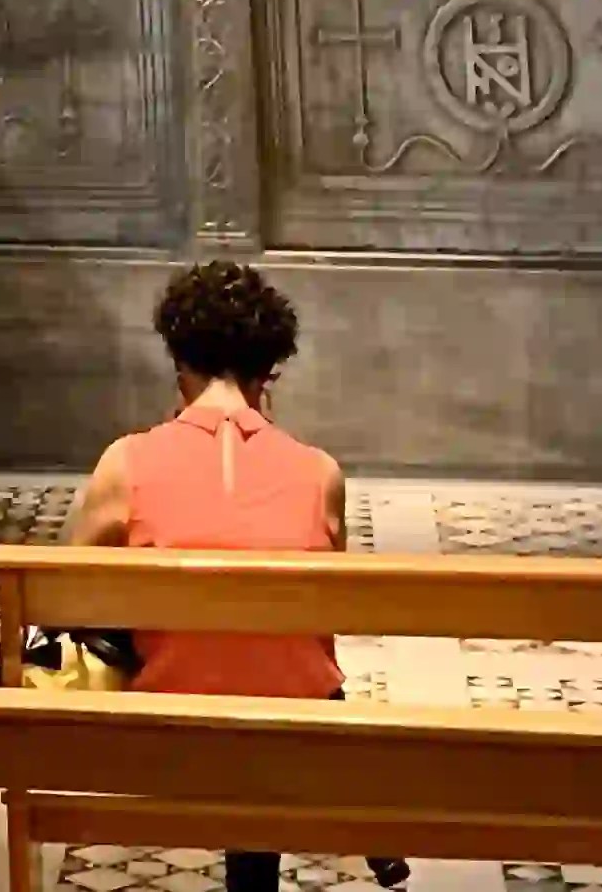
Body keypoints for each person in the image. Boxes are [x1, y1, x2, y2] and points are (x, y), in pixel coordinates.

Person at [68, 259, 409, 892]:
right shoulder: (318, 472)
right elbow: (323, 622)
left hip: (169, 726)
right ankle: (361, 819)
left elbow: (62, 594)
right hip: (293, 723)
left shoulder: (127, 462)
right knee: (276, 672)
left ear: (180, 363)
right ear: (268, 372)